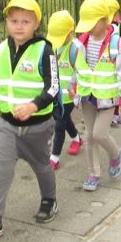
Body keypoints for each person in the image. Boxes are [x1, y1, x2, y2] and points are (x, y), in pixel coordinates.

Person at [0, 0, 59, 242]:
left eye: (25, 21)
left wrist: (33, 105)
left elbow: (54, 87)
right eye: (14, 21)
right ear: (7, 22)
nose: (19, 26)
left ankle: (49, 200)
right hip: (7, 126)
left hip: (38, 126)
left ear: (36, 24)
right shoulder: (0, 50)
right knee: (0, 171)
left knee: (42, 166)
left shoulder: (45, 50)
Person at [73, 0, 121, 191]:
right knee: (89, 136)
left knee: (99, 134)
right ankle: (93, 173)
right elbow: (76, 68)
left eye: (92, 23)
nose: (88, 28)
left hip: (107, 98)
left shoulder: (117, 44)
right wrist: (73, 87)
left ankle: (115, 154)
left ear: (104, 20)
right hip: (87, 96)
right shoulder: (80, 44)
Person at [46, 10, 83, 170]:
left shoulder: (76, 49)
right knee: (64, 119)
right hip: (56, 95)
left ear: (70, 33)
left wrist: (76, 90)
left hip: (69, 96)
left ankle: (54, 157)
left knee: (59, 124)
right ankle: (76, 138)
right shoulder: (52, 47)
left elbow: (81, 71)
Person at [105, 0, 121, 126]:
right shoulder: (110, 27)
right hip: (110, 61)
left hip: (114, 60)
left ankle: (115, 113)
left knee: (115, 88)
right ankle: (113, 113)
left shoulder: (120, 28)